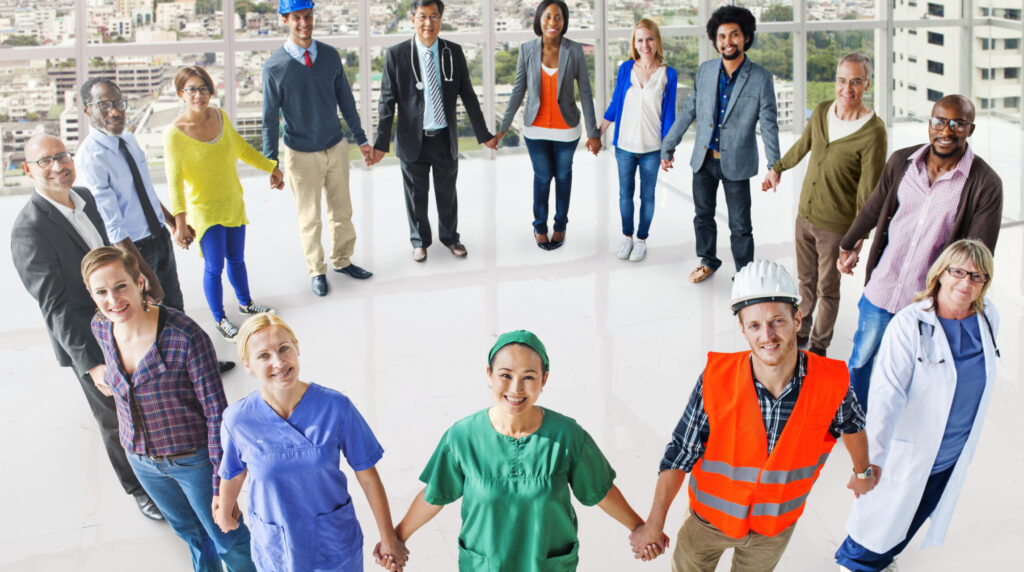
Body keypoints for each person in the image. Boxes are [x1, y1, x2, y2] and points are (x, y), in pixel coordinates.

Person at [628, 261, 876, 572]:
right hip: (707, 522)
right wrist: (654, 523)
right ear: (742, 328)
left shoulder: (831, 381)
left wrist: (863, 472)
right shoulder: (716, 378)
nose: (768, 336)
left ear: (798, 319)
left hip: (773, 530)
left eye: (777, 321)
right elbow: (681, 452)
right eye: (755, 325)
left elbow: (852, 425)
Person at [391, 330, 650, 571]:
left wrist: (639, 527)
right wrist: (397, 538)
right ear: (489, 375)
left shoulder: (567, 436)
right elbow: (434, 494)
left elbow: (599, 491)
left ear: (544, 379)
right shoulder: (462, 437)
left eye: (528, 377)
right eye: (505, 375)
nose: (516, 388)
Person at [10, 133, 161, 521]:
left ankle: (160, 469)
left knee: (146, 397)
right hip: (89, 336)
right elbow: (55, 306)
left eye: (62, 156)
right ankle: (137, 488)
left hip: (125, 317)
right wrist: (91, 362)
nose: (57, 166)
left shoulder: (86, 198)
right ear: (28, 170)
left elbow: (115, 251)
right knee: (113, 416)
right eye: (44, 161)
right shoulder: (29, 230)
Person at [82, 246, 254, 571]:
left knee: (227, 536)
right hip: (142, 462)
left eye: (121, 286)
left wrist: (222, 488)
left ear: (140, 282)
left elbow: (218, 417)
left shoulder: (186, 337)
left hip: (194, 462)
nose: (113, 300)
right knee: (190, 534)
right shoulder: (102, 327)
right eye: (101, 291)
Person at [836, 240, 998, 572]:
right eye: (958, 272)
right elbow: (884, 402)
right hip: (906, 455)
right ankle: (854, 565)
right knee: (877, 523)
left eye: (977, 276)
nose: (966, 283)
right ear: (940, 273)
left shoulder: (988, 319)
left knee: (909, 519)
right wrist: (869, 466)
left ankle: (878, 561)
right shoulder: (909, 325)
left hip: (950, 455)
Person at [837, 94, 1002, 410]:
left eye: (958, 124)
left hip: (925, 304)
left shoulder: (985, 183)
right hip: (882, 289)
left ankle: (893, 428)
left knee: (911, 372)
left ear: (970, 129)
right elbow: (874, 207)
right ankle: (854, 418)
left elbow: (977, 254)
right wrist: (849, 243)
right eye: (939, 121)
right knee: (861, 360)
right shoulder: (902, 161)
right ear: (929, 123)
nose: (946, 131)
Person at [213, 313, 408, 572]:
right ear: (247, 364)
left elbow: (368, 476)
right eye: (263, 356)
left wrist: (388, 538)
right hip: (275, 546)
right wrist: (225, 512)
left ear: (297, 348)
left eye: (284, 349)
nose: (279, 362)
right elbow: (233, 473)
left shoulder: (336, 407)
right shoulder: (238, 419)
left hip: (334, 544)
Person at [77, 77, 234, 373]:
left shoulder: (128, 139)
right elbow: (113, 228)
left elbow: (145, 193)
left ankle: (196, 368)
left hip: (158, 237)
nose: (115, 112)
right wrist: (145, 274)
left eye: (119, 103)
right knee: (148, 319)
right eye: (105, 105)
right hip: (132, 251)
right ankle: (167, 378)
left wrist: (174, 223)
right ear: (88, 111)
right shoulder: (92, 157)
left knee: (175, 310)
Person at [761, 53, 887, 356]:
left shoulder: (873, 132)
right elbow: (803, 145)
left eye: (856, 81)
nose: (847, 88)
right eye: (842, 81)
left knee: (827, 291)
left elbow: (868, 194)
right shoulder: (820, 112)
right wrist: (777, 168)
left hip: (835, 228)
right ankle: (801, 332)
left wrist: (856, 242)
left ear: (867, 84)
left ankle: (818, 348)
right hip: (804, 215)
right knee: (805, 282)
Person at [660, 5, 780, 283]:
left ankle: (745, 274)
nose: (728, 41)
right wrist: (669, 146)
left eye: (734, 35)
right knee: (702, 216)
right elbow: (689, 111)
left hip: (737, 163)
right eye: (722, 36)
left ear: (746, 37)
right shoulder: (706, 71)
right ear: (715, 40)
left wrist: (775, 165)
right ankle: (708, 260)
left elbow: (769, 125)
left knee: (740, 226)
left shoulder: (761, 78)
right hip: (703, 160)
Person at [263, 0, 374, 296]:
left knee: (342, 210)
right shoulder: (274, 67)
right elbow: (269, 119)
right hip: (300, 154)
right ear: (286, 20)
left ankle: (343, 260)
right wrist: (270, 162)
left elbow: (346, 101)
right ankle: (317, 270)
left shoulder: (329, 56)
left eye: (308, 16)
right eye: (297, 17)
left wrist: (361, 139)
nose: (304, 23)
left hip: (335, 146)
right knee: (309, 217)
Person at [164, 65, 283, 340]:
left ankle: (246, 303)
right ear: (181, 93)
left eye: (204, 87)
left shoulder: (220, 116)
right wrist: (179, 224)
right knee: (214, 266)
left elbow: (241, 147)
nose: (199, 94)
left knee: (237, 259)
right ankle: (219, 319)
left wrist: (271, 168)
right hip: (204, 211)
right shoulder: (174, 135)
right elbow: (174, 183)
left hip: (232, 202)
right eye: (192, 89)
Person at [371, 0, 493, 263]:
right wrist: (380, 144)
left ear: (441, 19)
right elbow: (386, 102)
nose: (429, 23)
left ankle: (450, 238)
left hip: (443, 137)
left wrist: (484, 135)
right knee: (416, 196)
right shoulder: (397, 55)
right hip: (412, 139)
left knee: (447, 192)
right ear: (412, 19)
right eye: (423, 17)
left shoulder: (454, 52)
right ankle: (419, 242)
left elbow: (469, 97)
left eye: (434, 17)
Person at [491, 0, 602, 251]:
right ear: (539, 19)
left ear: (565, 22)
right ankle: (540, 227)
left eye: (558, 17)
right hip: (535, 128)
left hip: (567, 129)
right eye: (548, 17)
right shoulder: (527, 50)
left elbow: (585, 91)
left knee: (563, 177)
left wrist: (593, 133)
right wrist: (503, 127)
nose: (553, 22)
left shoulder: (574, 50)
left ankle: (560, 225)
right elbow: (518, 90)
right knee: (542, 177)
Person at [600, 18, 678, 262]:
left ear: (657, 41)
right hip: (624, 145)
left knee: (648, 196)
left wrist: (668, 150)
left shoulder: (668, 74)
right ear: (634, 43)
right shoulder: (626, 69)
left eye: (650, 39)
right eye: (640, 40)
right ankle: (627, 237)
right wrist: (598, 131)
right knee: (625, 195)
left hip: (652, 149)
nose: (645, 44)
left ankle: (642, 239)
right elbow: (615, 104)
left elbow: (669, 115)